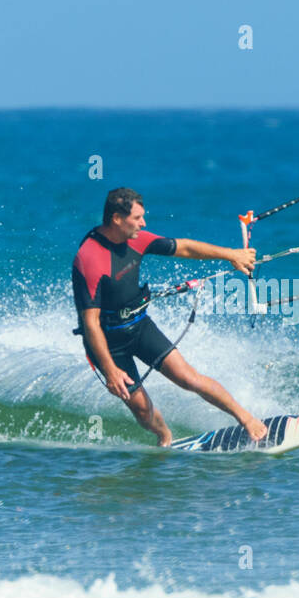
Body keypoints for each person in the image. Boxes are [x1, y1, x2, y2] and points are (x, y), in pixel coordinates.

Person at [71, 187, 268, 446]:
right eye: (137, 218)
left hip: (139, 326)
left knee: (188, 378)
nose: (144, 223)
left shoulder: (135, 239)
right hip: (107, 343)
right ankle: (165, 437)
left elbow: (184, 248)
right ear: (117, 219)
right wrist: (110, 371)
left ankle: (246, 418)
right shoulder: (90, 258)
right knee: (139, 406)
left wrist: (231, 255)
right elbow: (90, 324)